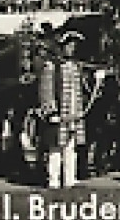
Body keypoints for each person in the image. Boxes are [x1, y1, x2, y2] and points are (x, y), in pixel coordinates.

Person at [38, 28, 89, 190]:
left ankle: (70, 179)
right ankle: (53, 180)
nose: (72, 48)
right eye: (69, 45)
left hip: (74, 113)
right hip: (59, 113)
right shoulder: (51, 66)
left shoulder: (75, 66)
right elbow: (46, 90)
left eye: (74, 45)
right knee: (55, 149)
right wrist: (50, 111)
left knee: (70, 147)